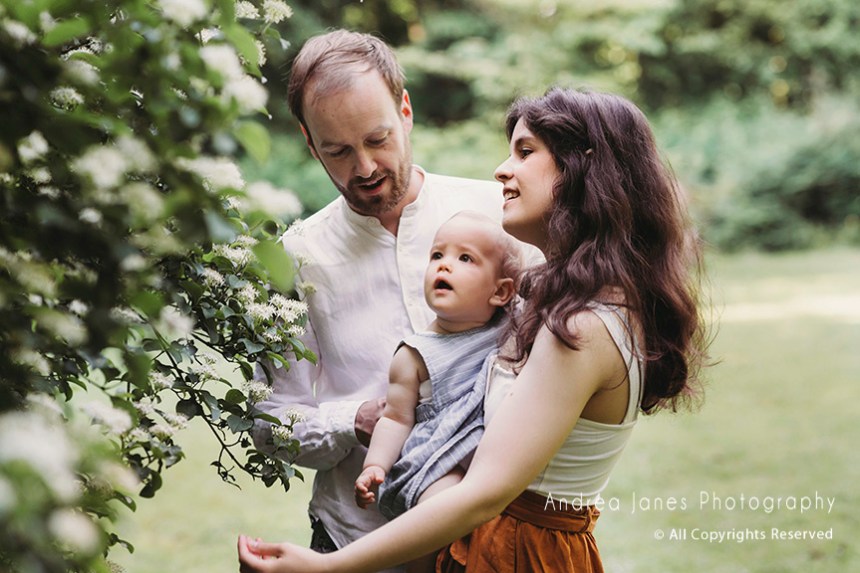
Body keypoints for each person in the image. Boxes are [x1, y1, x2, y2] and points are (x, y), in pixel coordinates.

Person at [239, 87, 709, 573]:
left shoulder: (581, 327)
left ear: (582, 170)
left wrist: (327, 568)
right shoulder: (572, 301)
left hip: (520, 557)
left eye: (525, 152)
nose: (502, 170)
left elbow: (483, 493)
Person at [249, 29, 510, 566]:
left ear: (405, 111)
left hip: (495, 544)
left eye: (377, 139)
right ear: (309, 142)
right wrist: (357, 419)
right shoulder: (294, 258)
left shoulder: (499, 214)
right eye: (338, 151)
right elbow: (270, 421)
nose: (364, 168)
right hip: (355, 542)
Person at [355, 212, 522, 522]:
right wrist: (374, 465)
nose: (444, 265)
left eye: (465, 258)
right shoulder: (414, 355)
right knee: (439, 505)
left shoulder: (512, 325)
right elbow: (395, 418)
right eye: (437, 255)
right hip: (440, 460)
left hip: (497, 456)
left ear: (501, 292)